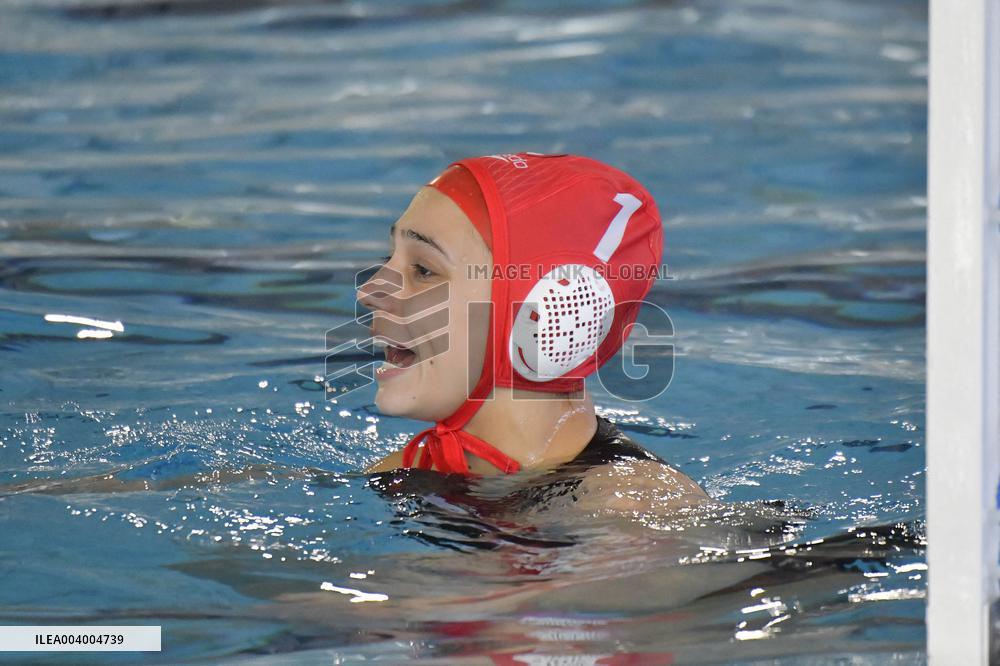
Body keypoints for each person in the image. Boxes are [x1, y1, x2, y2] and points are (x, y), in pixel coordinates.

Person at [359, 152, 707, 511]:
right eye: (390, 259)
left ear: (551, 312)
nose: (368, 291)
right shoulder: (405, 472)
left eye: (423, 269)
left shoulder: (631, 511)